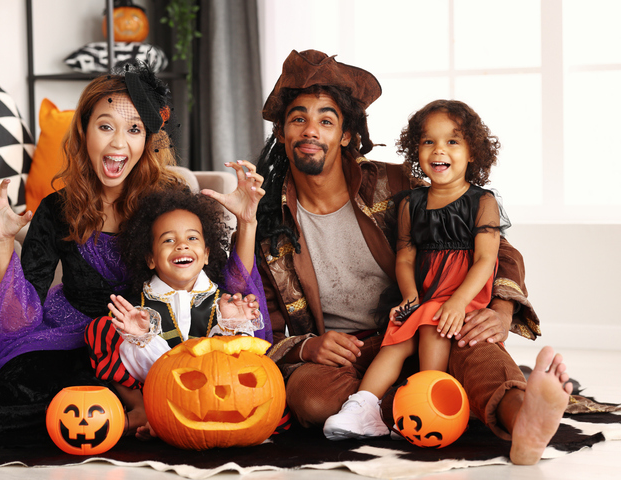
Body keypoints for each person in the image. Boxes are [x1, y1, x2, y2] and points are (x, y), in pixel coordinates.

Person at [0, 62, 264, 447]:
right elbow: (17, 321)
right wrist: (3, 242)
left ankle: (137, 409)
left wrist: (247, 222)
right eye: (106, 126)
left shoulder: (167, 201)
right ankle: (138, 413)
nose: (119, 143)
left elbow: (225, 290)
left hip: (159, 341)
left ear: (148, 140)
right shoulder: (56, 208)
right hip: (71, 340)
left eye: (134, 129)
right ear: (85, 131)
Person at [256, 49, 572, 465]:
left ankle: (524, 422)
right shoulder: (268, 225)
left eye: (326, 120)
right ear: (282, 131)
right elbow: (265, 325)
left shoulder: (396, 183)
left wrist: (500, 307)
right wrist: (309, 347)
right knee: (310, 398)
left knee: (475, 346)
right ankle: (432, 401)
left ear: (347, 135)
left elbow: (495, 248)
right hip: (350, 355)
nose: (311, 130)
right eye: (299, 119)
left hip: (431, 324)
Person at [323, 99, 511, 439]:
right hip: (426, 293)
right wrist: (410, 294)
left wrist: (457, 301)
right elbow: (406, 256)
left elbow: (486, 260)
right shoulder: (412, 202)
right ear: (416, 150)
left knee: (431, 325)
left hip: (462, 294)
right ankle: (363, 406)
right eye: (429, 141)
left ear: (473, 153)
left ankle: (428, 403)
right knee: (396, 337)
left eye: (452, 141)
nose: (439, 150)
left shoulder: (482, 202)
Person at [105, 188, 266, 438]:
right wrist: (141, 338)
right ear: (150, 258)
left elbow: (231, 364)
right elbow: (136, 367)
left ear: (206, 255)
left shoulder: (222, 302)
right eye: (168, 240)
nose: (181, 245)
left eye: (192, 238)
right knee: (103, 328)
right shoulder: (138, 308)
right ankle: (143, 410)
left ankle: (166, 422)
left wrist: (233, 326)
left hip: (210, 396)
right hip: (154, 392)